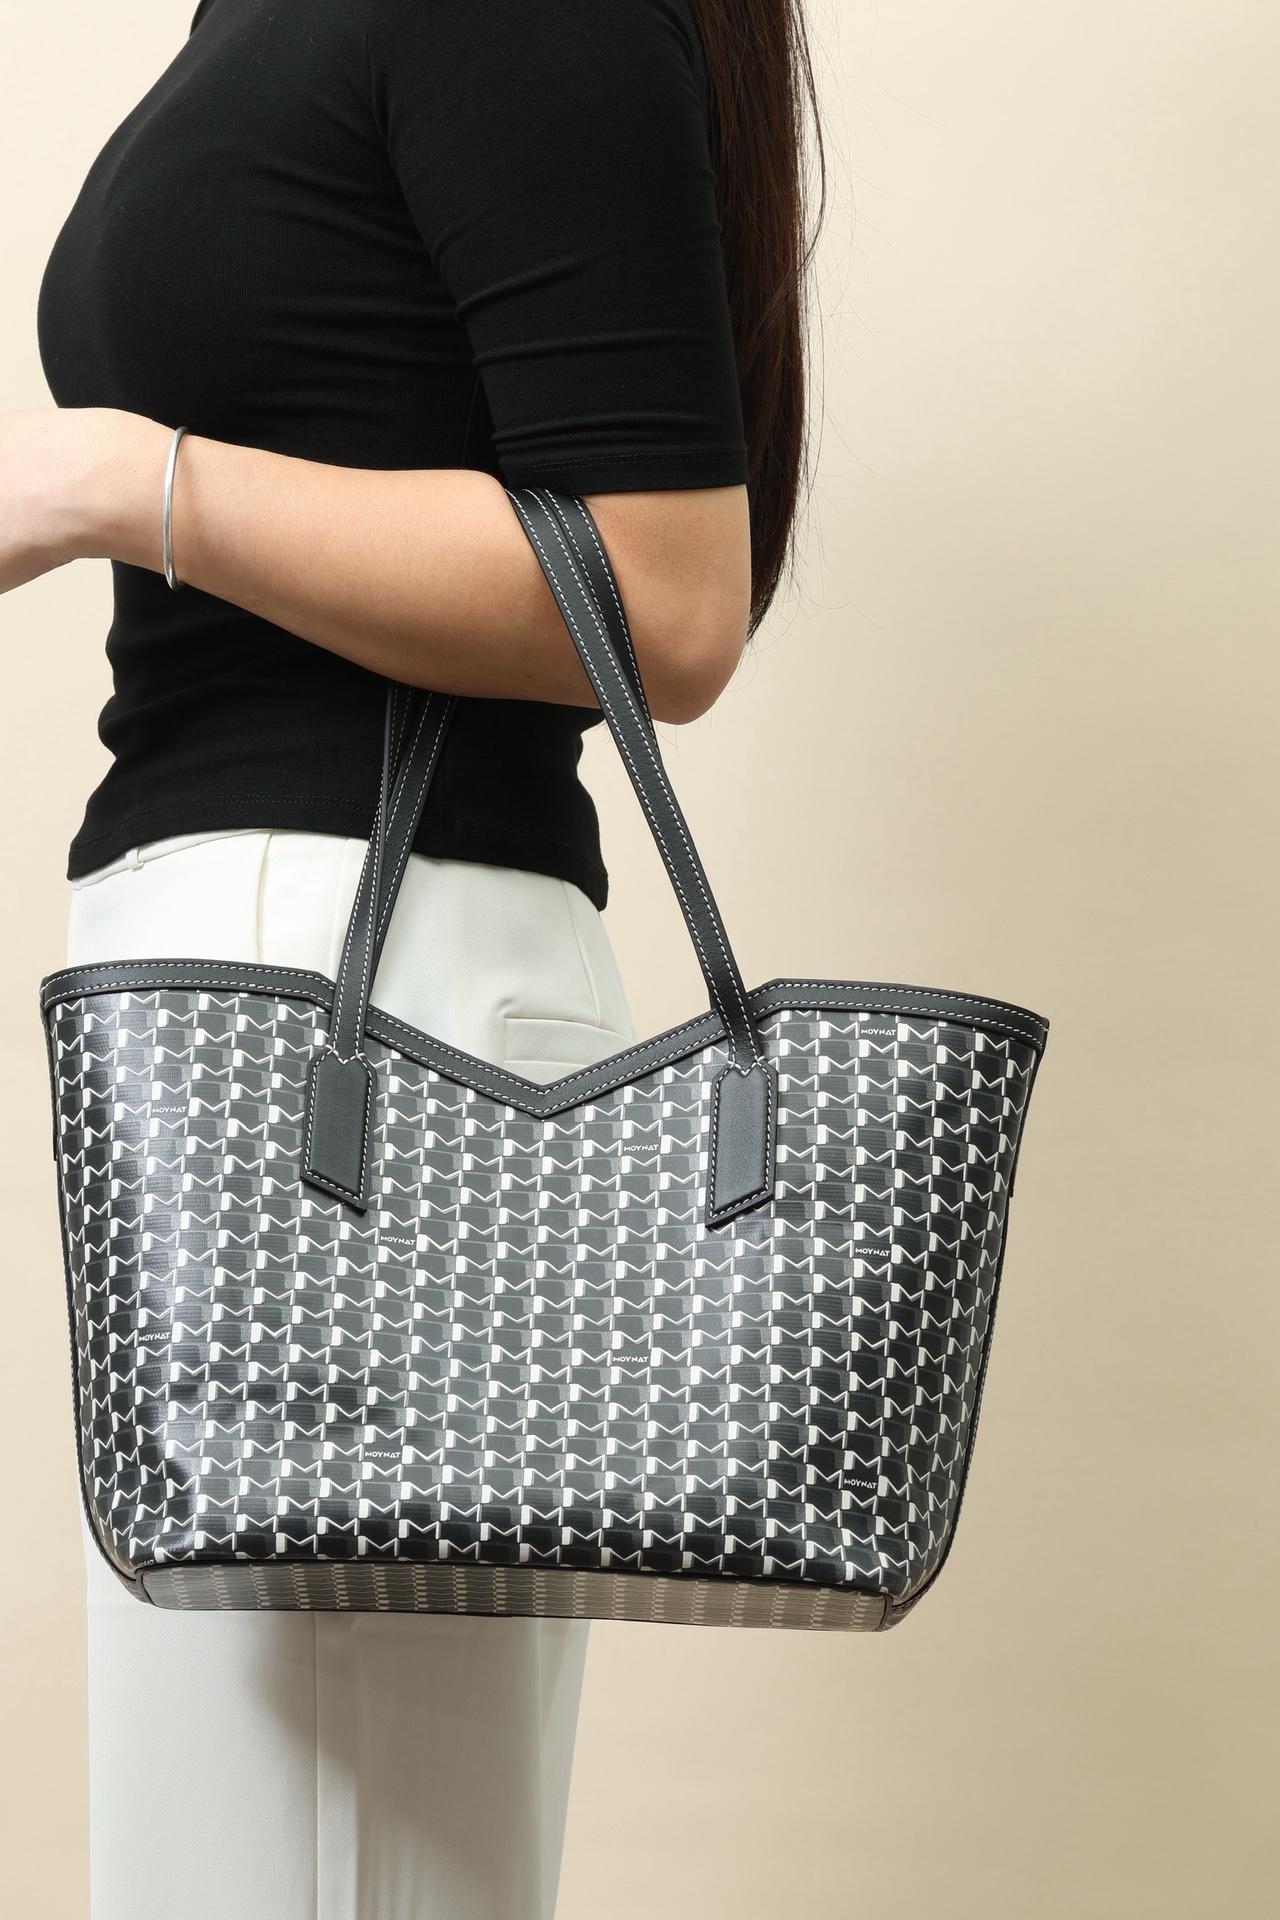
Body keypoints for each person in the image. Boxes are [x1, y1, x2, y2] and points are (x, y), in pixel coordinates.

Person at [1, 2, 819, 1914]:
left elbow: (666, 599)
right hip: (251, 993)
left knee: (306, 1867)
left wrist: (121, 481)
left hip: (364, 1017)